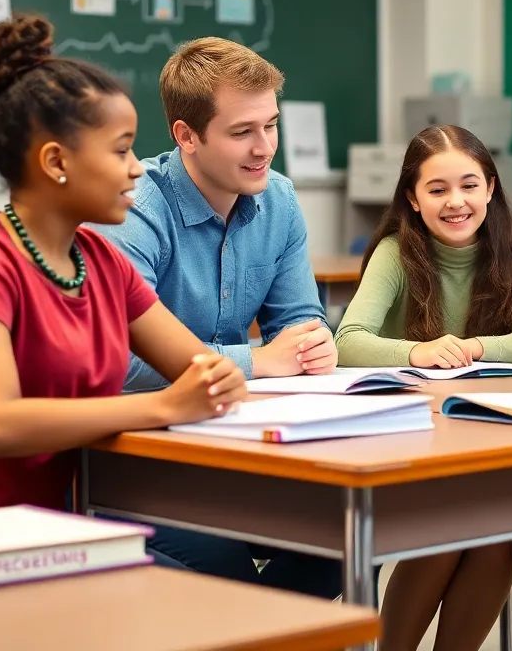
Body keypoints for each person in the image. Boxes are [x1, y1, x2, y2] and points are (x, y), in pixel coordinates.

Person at [0, 16, 247, 574]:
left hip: (67, 525)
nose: (137, 169)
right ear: (56, 161)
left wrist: (219, 377)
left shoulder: (103, 260)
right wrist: (163, 405)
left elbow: (200, 368)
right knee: (201, 596)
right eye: (120, 151)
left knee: (256, 566)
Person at [96, 36, 341, 597]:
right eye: (242, 132)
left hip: (236, 446)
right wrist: (257, 360)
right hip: (137, 456)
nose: (265, 148)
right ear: (186, 136)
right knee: (225, 567)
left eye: (271, 125)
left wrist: (313, 344)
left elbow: (300, 321)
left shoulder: (278, 199)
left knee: (350, 538)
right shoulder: (133, 210)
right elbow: (118, 361)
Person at [335, 124, 512, 651]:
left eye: (469, 185)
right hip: (400, 441)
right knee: (445, 530)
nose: (456, 202)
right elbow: (347, 341)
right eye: (437, 190)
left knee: (498, 540)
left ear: (491, 187)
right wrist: (418, 352)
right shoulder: (395, 251)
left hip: (477, 440)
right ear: (412, 197)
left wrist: (474, 347)